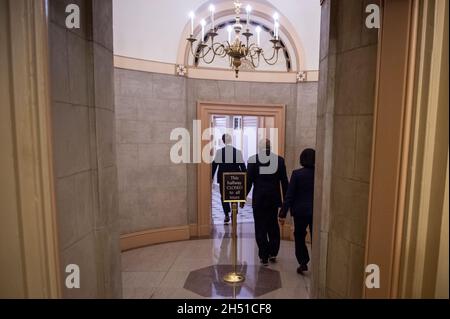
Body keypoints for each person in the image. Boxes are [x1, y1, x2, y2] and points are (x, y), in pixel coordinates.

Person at [246, 139, 289, 266]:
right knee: (273, 226)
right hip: (273, 199)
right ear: (270, 147)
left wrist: (242, 197)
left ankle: (263, 255)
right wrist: (286, 203)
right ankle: (273, 252)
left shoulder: (253, 160)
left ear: (259, 148)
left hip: (259, 199)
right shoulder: (279, 160)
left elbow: (248, 181)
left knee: (260, 227)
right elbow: (284, 182)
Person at [278, 148, 315, 275]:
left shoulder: (297, 174)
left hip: (300, 212)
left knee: (299, 236)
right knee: (316, 237)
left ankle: (303, 261)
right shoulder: (319, 175)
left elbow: (290, 195)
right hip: (315, 212)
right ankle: (318, 262)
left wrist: (283, 213)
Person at [212, 134, 247, 224]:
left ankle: (226, 214)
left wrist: (211, 177)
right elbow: (243, 167)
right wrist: (246, 177)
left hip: (223, 178)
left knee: (224, 196)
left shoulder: (220, 152)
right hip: (236, 178)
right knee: (234, 194)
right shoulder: (237, 152)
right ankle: (234, 211)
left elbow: (214, 165)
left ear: (223, 141)